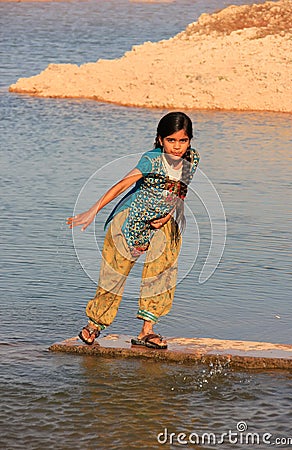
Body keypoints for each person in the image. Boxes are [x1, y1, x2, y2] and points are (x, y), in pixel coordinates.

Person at [67, 111, 199, 349]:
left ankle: (147, 331)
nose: (177, 147)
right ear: (160, 140)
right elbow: (122, 185)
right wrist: (92, 211)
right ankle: (94, 325)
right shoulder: (152, 160)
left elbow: (180, 190)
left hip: (162, 222)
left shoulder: (193, 159)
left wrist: (168, 215)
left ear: (190, 140)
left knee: (162, 270)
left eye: (183, 140)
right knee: (115, 273)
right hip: (130, 220)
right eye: (171, 140)